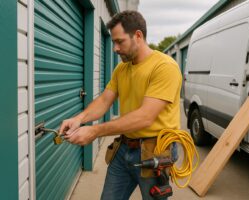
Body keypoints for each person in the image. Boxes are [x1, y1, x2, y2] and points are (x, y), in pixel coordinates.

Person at [59, 10, 182, 200]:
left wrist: (94, 131)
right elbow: (104, 100)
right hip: (125, 147)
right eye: (114, 42)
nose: (115, 48)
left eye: (119, 41)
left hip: (154, 150)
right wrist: (79, 119)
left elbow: (145, 117)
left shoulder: (164, 67)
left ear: (138, 36)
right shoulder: (122, 68)